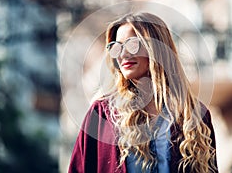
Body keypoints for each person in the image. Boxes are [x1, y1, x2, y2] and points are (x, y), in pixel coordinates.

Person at [68, 12, 218, 173]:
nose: (123, 54)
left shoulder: (194, 115)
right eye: (116, 47)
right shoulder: (101, 114)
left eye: (132, 44)